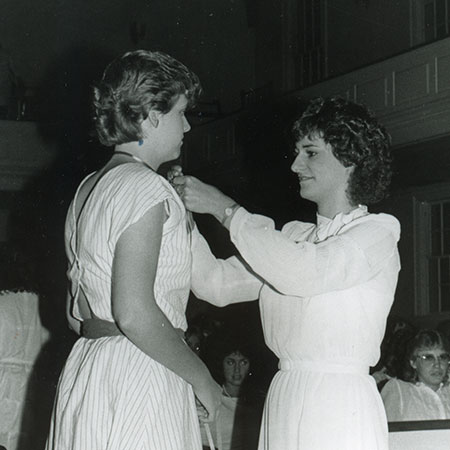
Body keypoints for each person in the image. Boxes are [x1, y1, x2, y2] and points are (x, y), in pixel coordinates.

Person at [172, 97, 401, 449]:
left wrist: (224, 209)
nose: (295, 165)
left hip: (338, 404)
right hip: (285, 395)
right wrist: (182, 215)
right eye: (296, 153)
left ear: (350, 160)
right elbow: (215, 284)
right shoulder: (294, 238)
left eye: (310, 153)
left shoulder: (376, 233)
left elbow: (303, 273)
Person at [45, 50, 221, 450]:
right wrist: (201, 378)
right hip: (142, 370)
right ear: (150, 116)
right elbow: (135, 313)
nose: (188, 126)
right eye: (181, 113)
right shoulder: (145, 187)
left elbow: (78, 316)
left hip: (90, 371)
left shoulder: (88, 188)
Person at [200, 332, 263, 450]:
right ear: (220, 363)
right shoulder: (209, 399)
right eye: (231, 362)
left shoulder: (260, 402)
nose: (237, 369)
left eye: (243, 362)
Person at [381, 329, 450, 421]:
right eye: (428, 357)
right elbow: (388, 432)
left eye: (443, 357)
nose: (437, 364)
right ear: (413, 362)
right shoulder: (399, 390)